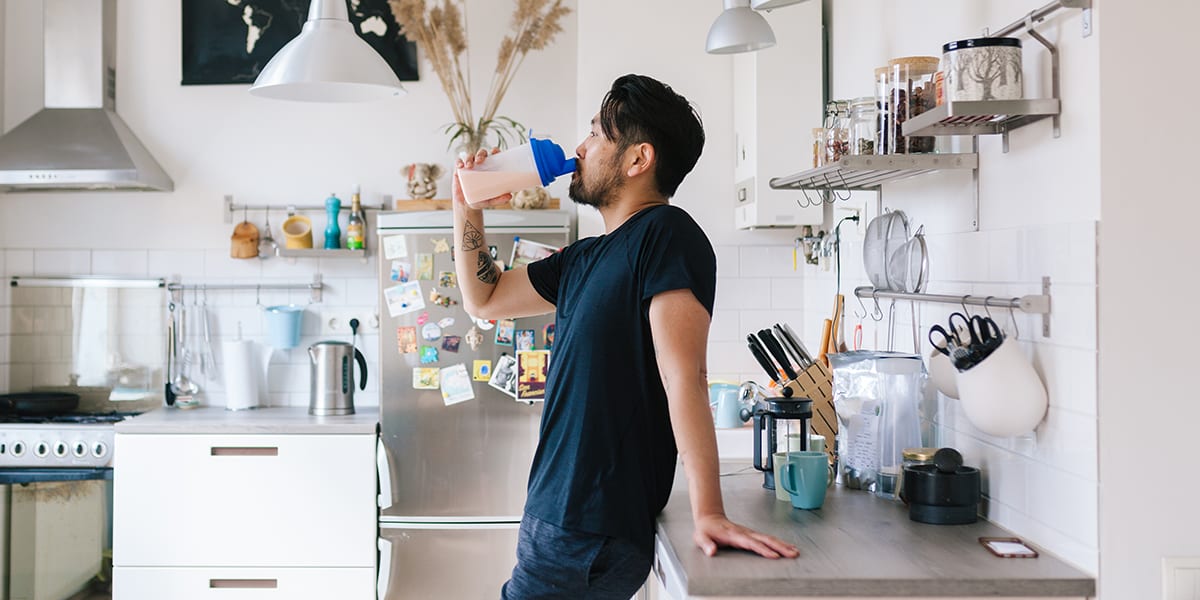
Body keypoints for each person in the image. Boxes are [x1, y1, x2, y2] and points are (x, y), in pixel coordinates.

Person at [452, 74, 799, 600]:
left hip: (590, 525)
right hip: (557, 517)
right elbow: (486, 298)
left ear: (638, 159)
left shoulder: (666, 234)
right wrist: (466, 207)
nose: (580, 147)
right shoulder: (586, 257)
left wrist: (709, 511)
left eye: (595, 133)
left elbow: (684, 374)